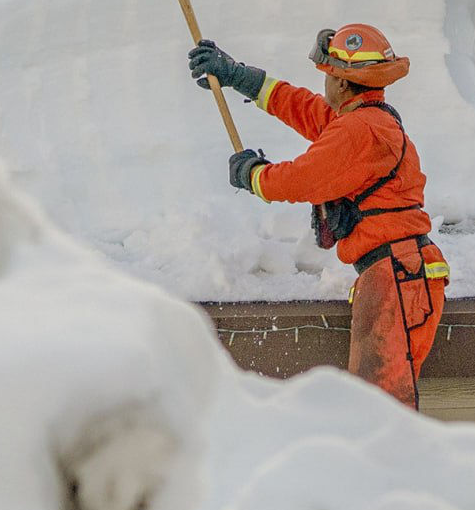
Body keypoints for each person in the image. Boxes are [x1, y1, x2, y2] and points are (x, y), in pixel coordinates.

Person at [187, 24, 449, 409]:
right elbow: (303, 108)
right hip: (394, 274)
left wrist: (254, 175)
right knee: (379, 410)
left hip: (397, 277)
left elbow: (304, 178)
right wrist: (237, 76)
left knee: (381, 414)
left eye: (328, 76)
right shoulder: (362, 120)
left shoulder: (362, 130)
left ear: (343, 83)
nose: (324, 85)